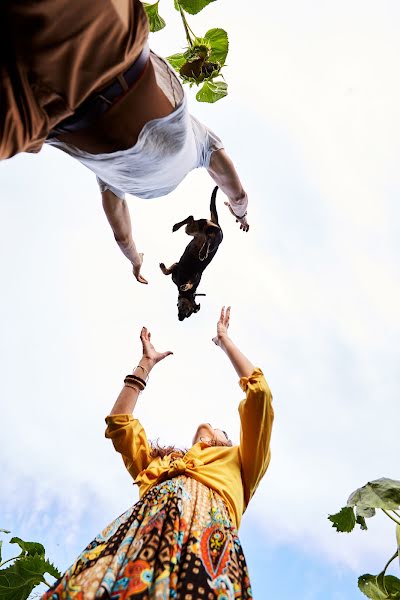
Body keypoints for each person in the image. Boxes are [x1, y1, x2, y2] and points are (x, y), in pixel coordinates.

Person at [1, 0, 249, 284]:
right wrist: (134, 259)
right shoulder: (115, 183)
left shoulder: (201, 145)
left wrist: (240, 210)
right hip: (40, 110)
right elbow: (122, 236)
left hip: (112, 40)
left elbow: (237, 192)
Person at [41, 307, 274, 599]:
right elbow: (120, 425)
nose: (212, 426)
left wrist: (225, 340)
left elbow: (260, 394)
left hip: (206, 540)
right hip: (141, 536)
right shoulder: (162, 464)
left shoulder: (241, 463)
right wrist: (145, 365)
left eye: (221, 431)